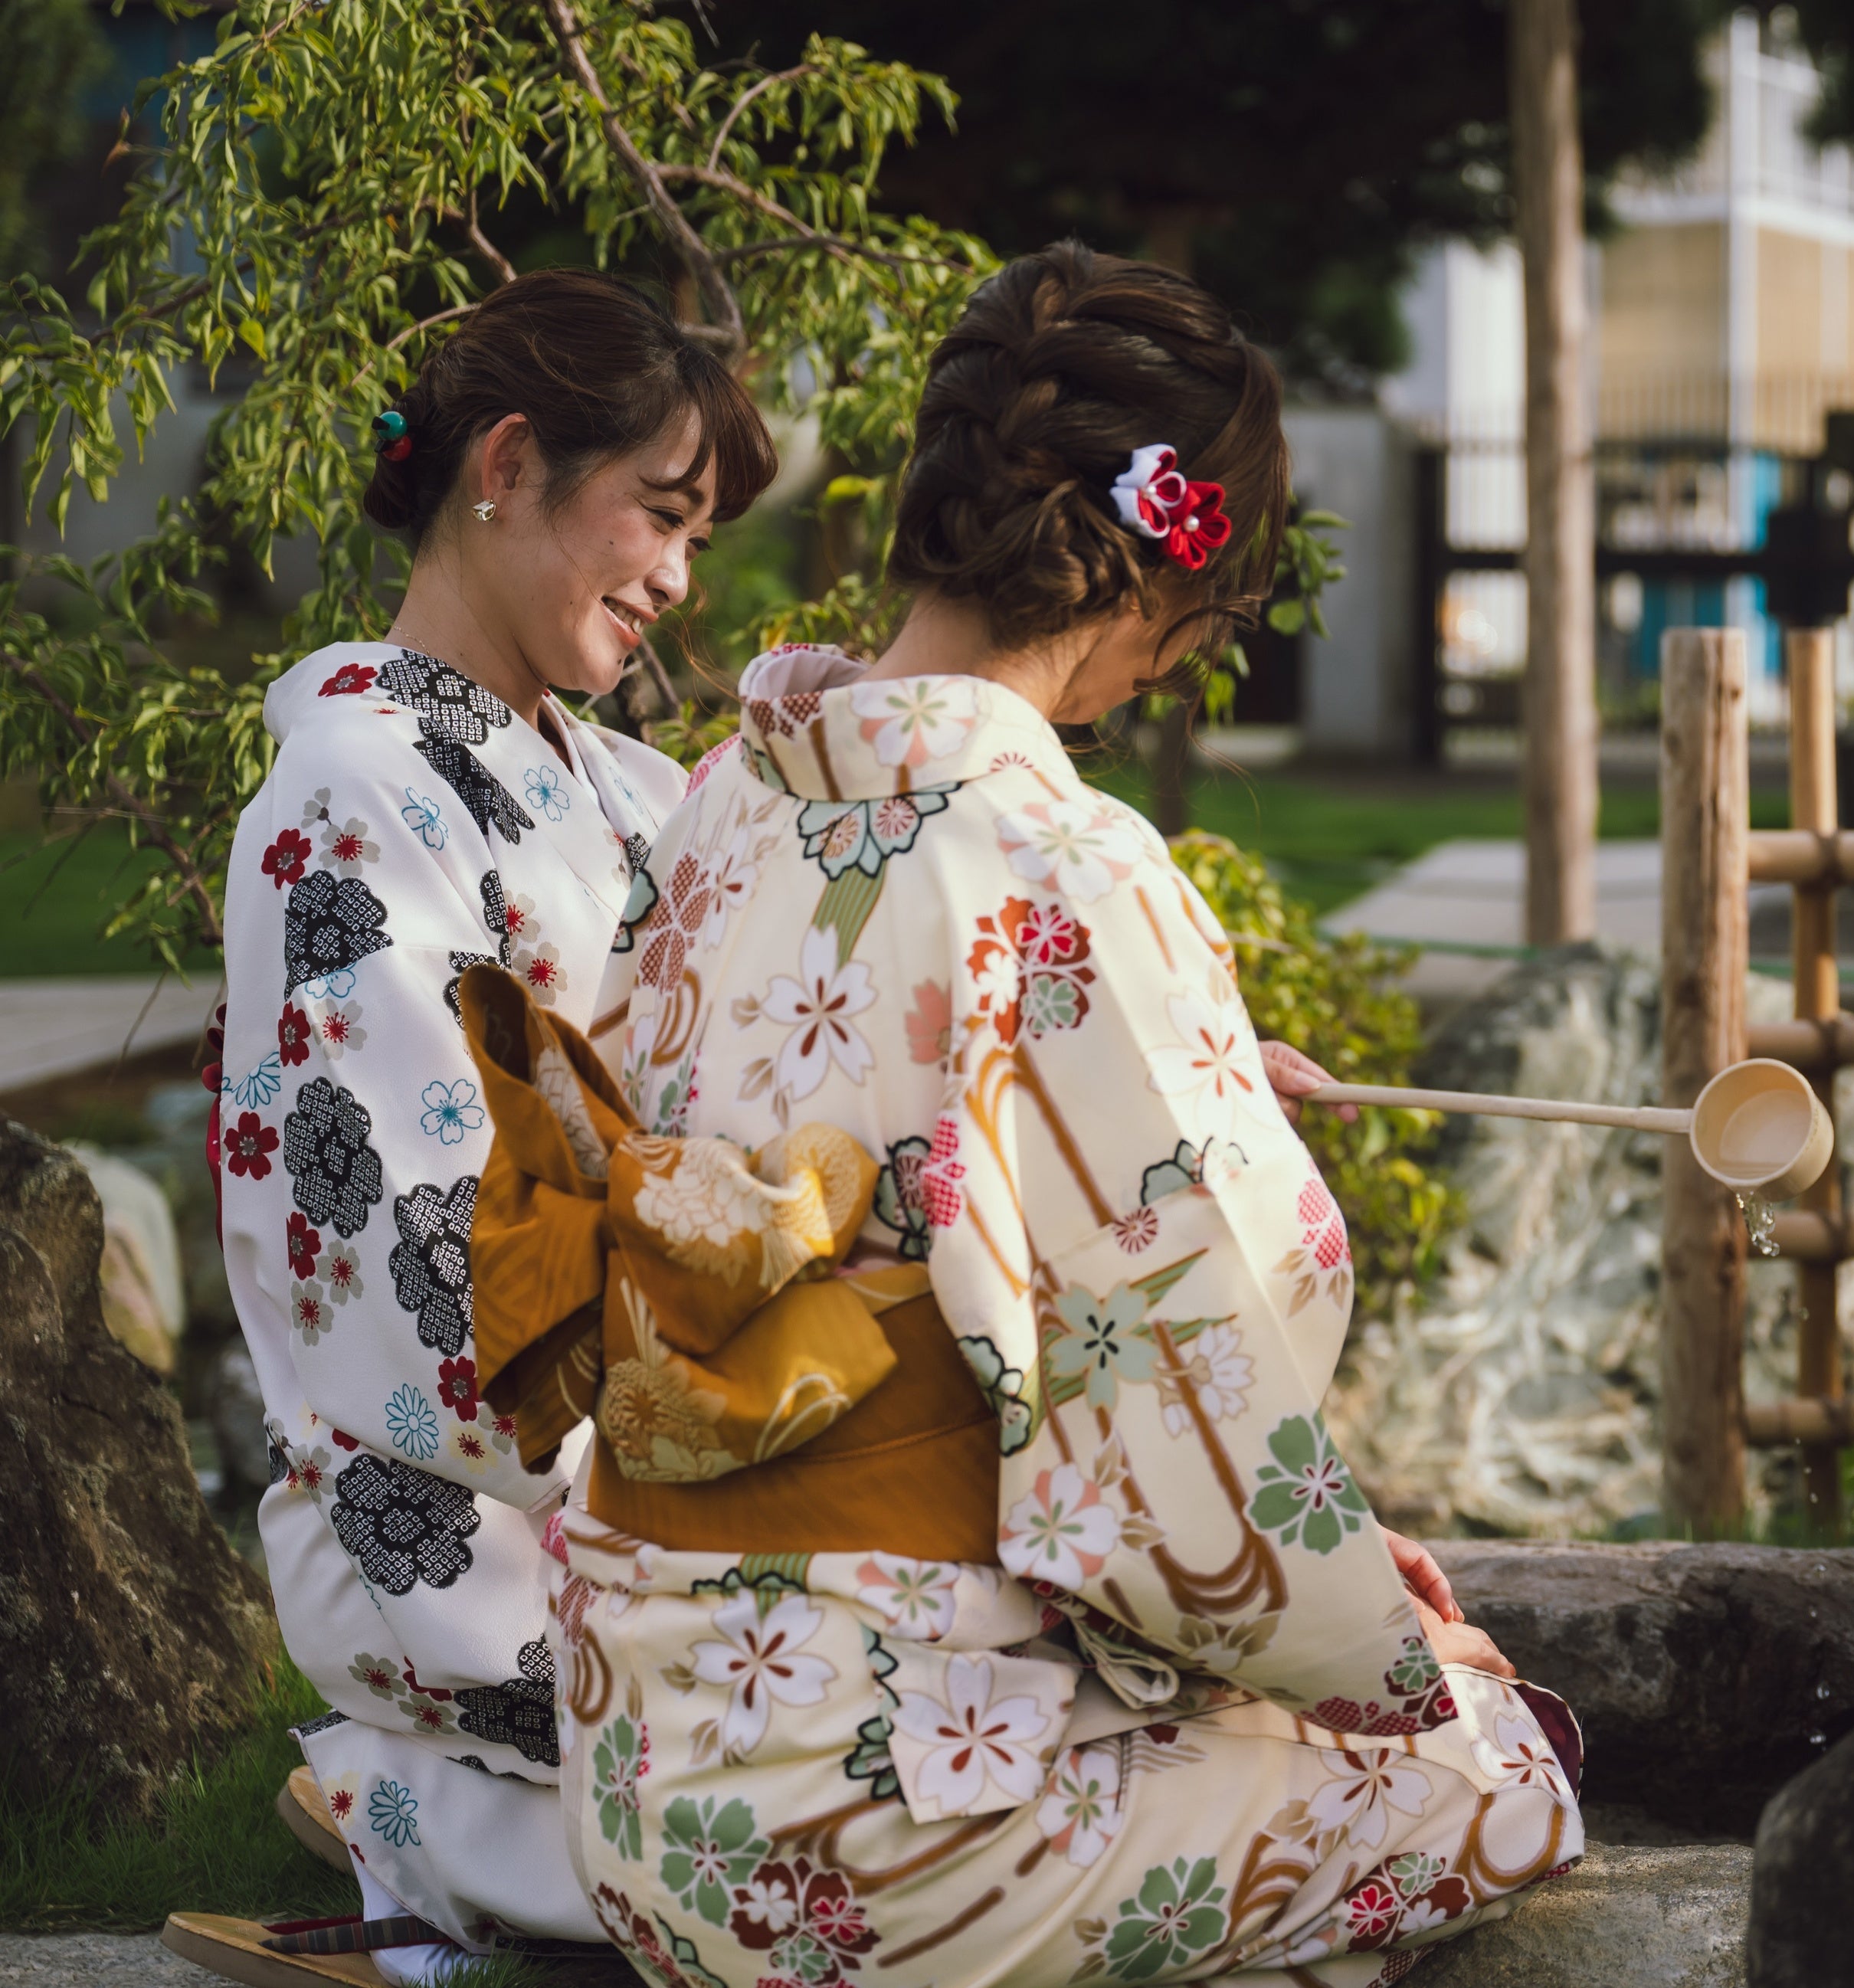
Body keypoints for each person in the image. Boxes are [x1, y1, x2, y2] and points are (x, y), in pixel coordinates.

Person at [461, 243, 1582, 1988]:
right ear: (1162, 568)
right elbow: (1226, 1331)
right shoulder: (1064, 865)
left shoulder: (719, 804)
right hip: (878, 1835)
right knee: (1493, 1767)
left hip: (640, 1777)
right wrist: (1361, 1617)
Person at [192, 270, 778, 1983]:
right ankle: (427, 1815)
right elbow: (410, 1255)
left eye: (699, 540)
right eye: (659, 516)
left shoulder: (620, 786)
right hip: (479, 1496)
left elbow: (812, 1019)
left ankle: (453, 1839)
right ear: (507, 462)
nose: (677, 578)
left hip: (656, 1427)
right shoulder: (354, 789)